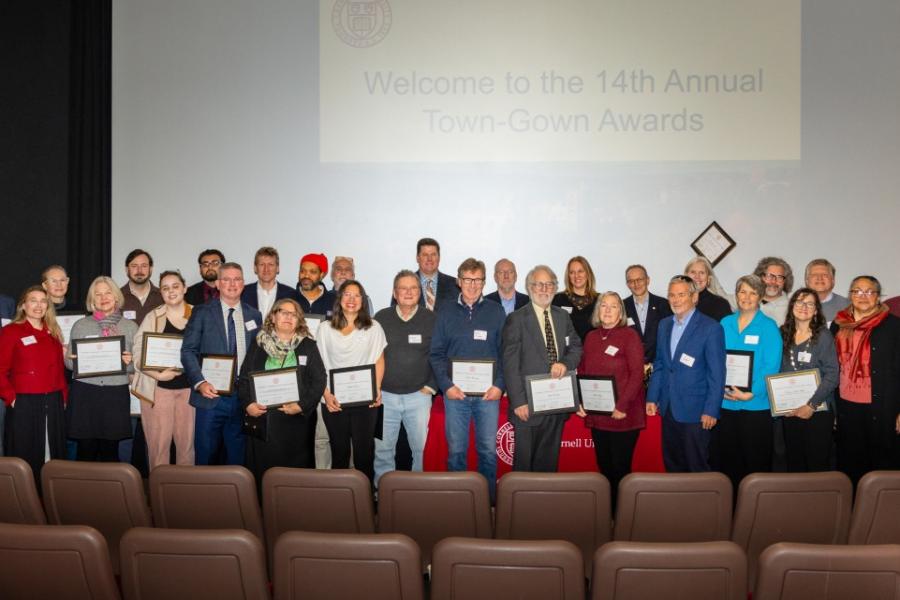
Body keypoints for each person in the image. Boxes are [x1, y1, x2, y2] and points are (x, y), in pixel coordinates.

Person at [430, 258, 506, 500]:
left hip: (488, 397)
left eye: (478, 280)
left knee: (487, 452)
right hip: (456, 396)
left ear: (484, 282)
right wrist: (446, 386)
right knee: (456, 453)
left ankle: (488, 505)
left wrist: (499, 385)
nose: (473, 285)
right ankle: (457, 505)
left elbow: (506, 353)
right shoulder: (445, 311)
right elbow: (436, 353)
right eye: (468, 280)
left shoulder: (496, 311)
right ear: (459, 282)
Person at [502, 265, 582, 472]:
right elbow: (510, 364)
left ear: (555, 288)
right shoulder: (516, 319)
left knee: (548, 464)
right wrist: (518, 402)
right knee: (524, 465)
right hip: (527, 407)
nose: (544, 289)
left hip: (556, 404)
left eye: (549, 284)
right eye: (539, 284)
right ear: (530, 288)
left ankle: (543, 503)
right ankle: (519, 504)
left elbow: (575, 347)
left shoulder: (562, 316)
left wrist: (565, 363)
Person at [181, 262, 263, 465]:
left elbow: (257, 357)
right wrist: (200, 383)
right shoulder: (201, 312)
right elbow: (188, 350)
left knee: (238, 458)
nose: (232, 284)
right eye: (226, 279)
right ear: (217, 283)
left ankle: (236, 497)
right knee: (206, 456)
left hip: (242, 398)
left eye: (237, 279)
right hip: (211, 396)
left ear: (243, 283)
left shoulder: (254, 315)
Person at [239, 298, 326, 484]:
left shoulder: (308, 346)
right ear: (273, 316)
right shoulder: (258, 344)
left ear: (299, 320)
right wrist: (248, 405)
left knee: (295, 479)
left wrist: (302, 406)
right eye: (283, 312)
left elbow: (319, 381)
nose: (288, 317)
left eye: (293, 314)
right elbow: (244, 377)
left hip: (297, 423)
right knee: (264, 476)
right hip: (264, 421)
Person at [646, 276, 726, 472]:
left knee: (696, 465)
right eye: (672, 295)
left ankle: (702, 504)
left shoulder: (711, 328)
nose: (676, 300)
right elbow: (661, 364)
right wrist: (652, 397)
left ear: (694, 296)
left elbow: (717, 373)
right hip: (668, 407)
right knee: (673, 463)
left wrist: (711, 409)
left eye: (681, 294)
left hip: (696, 411)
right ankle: (676, 502)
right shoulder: (664, 325)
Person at [713, 275, 782, 489]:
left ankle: (754, 511)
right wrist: (719, 387)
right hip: (726, 404)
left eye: (753, 292)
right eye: (742, 291)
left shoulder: (769, 327)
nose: (747, 297)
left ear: (760, 297)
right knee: (727, 461)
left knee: (754, 463)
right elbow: (715, 359)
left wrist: (751, 391)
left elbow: (772, 365)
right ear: (736, 295)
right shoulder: (725, 323)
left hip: (755, 405)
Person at [578, 291, 645, 503]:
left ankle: (624, 515)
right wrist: (580, 400)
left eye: (613, 306)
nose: (607, 310)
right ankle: (608, 514)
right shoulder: (590, 337)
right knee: (604, 467)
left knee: (620, 469)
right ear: (598, 310)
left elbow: (637, 373)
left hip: (622, 415)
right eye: (603, 305)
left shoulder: (629, 336)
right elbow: (582, 371)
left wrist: (622, 406)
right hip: (599, 416)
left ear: (620, 312)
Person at [832, 275, 900, 485]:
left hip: (883, 408)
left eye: (869, 291)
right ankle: (854, 514)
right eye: (857, 291)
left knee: (882, 465)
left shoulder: (894, 326)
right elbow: (833, 368)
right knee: (851, 464)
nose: (863, 296)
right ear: (850, 295)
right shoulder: (838, 325)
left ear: (878, 296)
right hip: (846, 406)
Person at [317, 280, 386, 484]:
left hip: (365, 401)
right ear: (340, 299)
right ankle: (342, 501)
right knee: (339, 451)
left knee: (364, 452)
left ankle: (365, 500)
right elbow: (317, 366)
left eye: (357, 295)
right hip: (333, 400)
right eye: (347, 294)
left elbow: (379, 361)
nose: (352, 300)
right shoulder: (324, 328)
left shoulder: (373, 327)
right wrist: (325, 394)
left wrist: (377, 389)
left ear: (363, 301)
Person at [373, 270, 437, 484]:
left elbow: (440, 356)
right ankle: (383, 492)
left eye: (413, 288)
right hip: (386, 397)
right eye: (403, 288)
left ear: (420, 292)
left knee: (421, 450)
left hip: (419, 397)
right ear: (394, 292)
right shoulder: (381, 318)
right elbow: (372, 355)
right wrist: (374, 389)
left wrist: (431, 387)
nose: (408, 292)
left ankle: (420, 492)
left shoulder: (432, 319)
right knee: (383, 450)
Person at [65, 276, 137, 461]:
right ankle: (83, 490)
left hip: (115, 393)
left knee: (110, 450)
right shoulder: (80, 325)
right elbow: (69, 364)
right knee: (85, 449)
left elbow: (136, 365)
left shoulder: (130, 327)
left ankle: (110, 490)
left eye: (108, 293)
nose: (103, 297)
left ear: (116, 296)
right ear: (92, 299)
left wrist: (129, 362)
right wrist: (72, 360)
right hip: (85, 393)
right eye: (98, 294)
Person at [0, 286, 67, 481]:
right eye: (33, 300)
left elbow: (59, 371)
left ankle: (52, 500)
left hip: (53, 402)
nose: (38, 305)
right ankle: (26, 503)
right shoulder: (11, 331)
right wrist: (11, 398)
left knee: (52, 455)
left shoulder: (53, 333)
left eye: (43, 301)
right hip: (25, 403)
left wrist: (63, 397)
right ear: (23, 305)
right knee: (26, 456)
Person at [131, 271, 195, 469]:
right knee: (159, 447)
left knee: (186, 446)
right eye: (165, 288)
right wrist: (157, 374)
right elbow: (138, 351)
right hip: (158, 389)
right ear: (162, 293)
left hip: (189, 391)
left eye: (175, 286)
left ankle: (186, 492)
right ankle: (160, 495)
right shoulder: (154, 316)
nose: (171, 291)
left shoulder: (198, 314)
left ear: (184, 288)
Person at [780, 288, 839, 472]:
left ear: (816, 310)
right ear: (791, 307)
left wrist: (811, 405)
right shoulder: (782, 333)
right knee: (794, 462)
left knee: (816, 463)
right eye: (799, 302)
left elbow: (833, 375)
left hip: (818, 410)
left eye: (810, 304)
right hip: (790, 410)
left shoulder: (823, 336)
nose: (804, 307)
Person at [623, 264, 672, 368]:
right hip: (631, 366)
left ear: (648, 280)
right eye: (631, 281)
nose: (636, 284)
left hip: (659, 365)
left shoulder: (664, 305)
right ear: (627, 284)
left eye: (640, 279)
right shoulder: (621, 307)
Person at [240, 246, 299, 319]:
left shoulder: (291, 295)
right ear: (255, 268)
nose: (266, 269)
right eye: (262, 264)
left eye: (270, 265)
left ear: (277, 268)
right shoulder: (242, 293)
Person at [552, 256, 599, 342]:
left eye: (580, 271)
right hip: (567, 353)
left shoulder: (600, 300)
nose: (576, 276)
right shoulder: (557, 300)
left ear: (588, 274)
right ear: (568, 276)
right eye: (572, 272)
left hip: (593, 352)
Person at [411, 237, 458, 312]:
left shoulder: (455, 285)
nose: (429, 259)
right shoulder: (405, 283)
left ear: (439, 258)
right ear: (417, 258)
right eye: (425, 255)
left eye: (433, 254)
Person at [120, 249, 163, 324]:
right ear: (127, 270)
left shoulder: (162, 297)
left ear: (151, 269)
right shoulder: (116, 297)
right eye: (134, 266)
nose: (139, 271)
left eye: (144, 266)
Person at [805, 258, 848, 324]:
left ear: (833, 280)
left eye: (825, 275)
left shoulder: (847, 307)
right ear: (807, 281)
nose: (819, 278)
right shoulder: (796, 306)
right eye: (814, 275)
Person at [754, 256, 794, 326]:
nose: (773, 281)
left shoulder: (792, 309)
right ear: (760, 277)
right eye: (769, 276)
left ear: (785, 281)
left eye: (779, 277)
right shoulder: (744, 300)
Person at [296, 252, 337, 317]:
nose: (306, 276)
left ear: (321, 275)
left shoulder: (334, 301)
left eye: (312, 272)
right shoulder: (289, 298)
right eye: (302, 271)